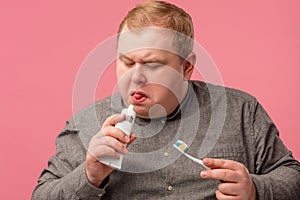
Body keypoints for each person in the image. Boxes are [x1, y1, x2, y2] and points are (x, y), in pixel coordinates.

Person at [32, 1, 300, 199]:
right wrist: (89, 175)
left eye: (153, 65)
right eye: (126, 62)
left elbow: (292, 177)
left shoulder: (242, 112)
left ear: (186, 66)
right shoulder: (87, 123)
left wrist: (256, 189)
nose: (135, 78)